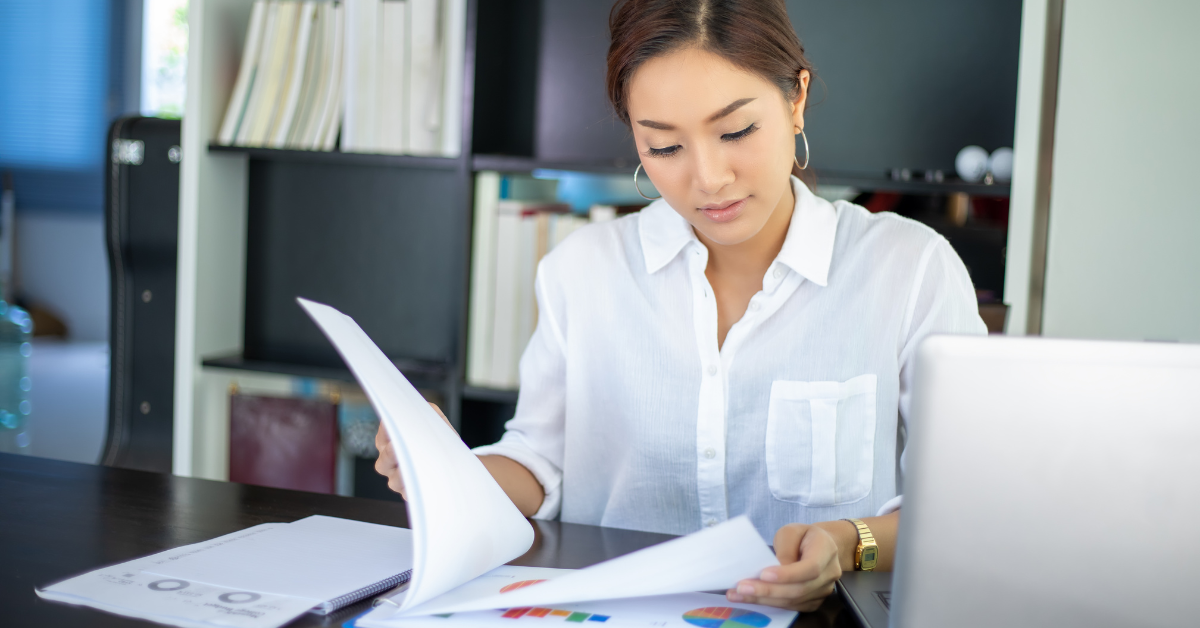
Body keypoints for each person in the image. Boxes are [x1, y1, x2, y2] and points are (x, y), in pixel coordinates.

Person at [376, 0, 985, 612]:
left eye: (737, 131)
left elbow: (962, 507)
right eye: (665, 147)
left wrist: (848, 543)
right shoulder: (582, 270)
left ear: (796, 99)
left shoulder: (908, 269)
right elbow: (538, 461)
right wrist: (447, 468)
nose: (709, 178)